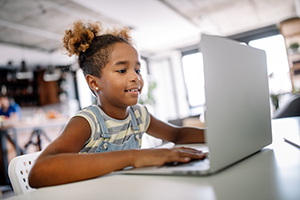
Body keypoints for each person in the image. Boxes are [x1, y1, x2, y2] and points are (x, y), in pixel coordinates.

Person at [28, 20, 206, 188]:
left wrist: (220, 136)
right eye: (122, 70)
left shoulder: (138, 115)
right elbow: (38, 172)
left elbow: (177, 134)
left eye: (137, 70)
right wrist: (133, 157)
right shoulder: (87, 122)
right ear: (94, 83)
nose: (135, 77)